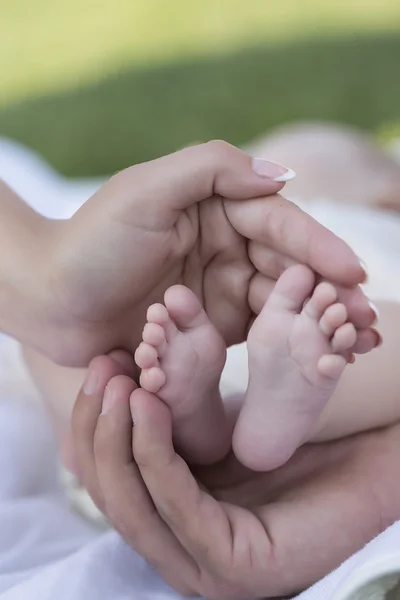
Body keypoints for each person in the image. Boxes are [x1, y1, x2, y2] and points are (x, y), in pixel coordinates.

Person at [0, 135, 395, 600]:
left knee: (58, 359)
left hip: (131, 454)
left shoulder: (340, 220)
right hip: (307, 311)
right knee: (370, 340)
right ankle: (272, 417)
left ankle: (191, 421)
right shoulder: (368, 230)